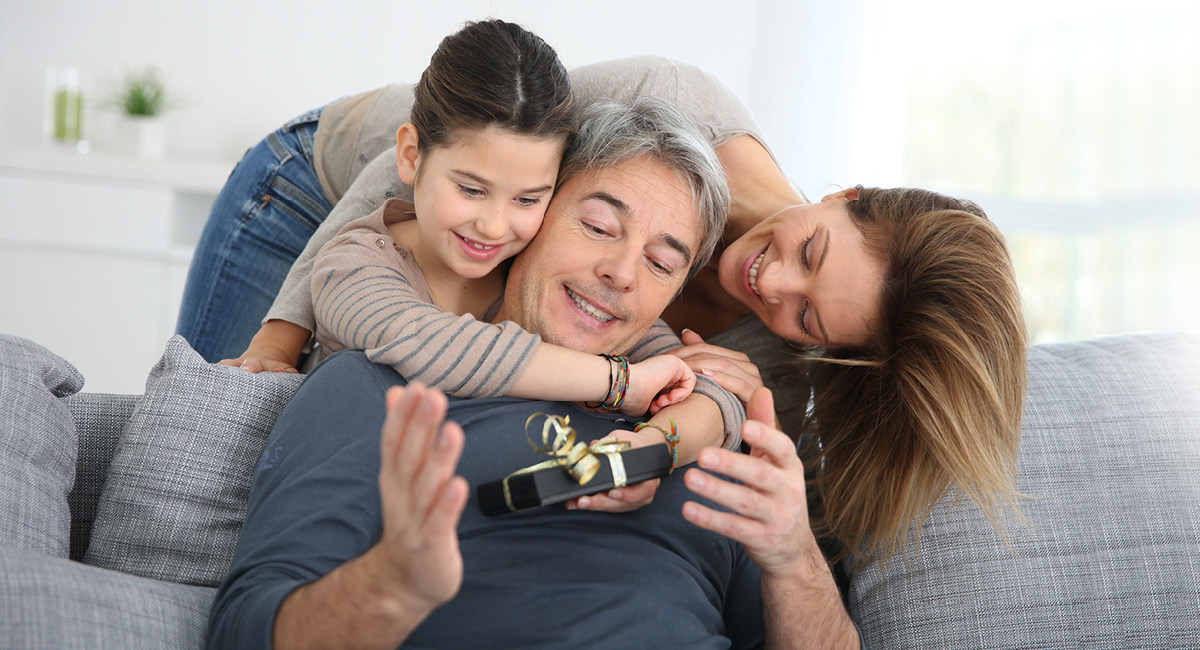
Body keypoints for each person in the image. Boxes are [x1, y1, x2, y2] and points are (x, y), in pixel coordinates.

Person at [180, 54, 1026, 565]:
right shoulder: (673, 98)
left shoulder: (776, 350)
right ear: (845, 193)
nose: (773, 286)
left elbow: (718, 396)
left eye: (807, 319)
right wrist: (280, 338)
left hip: (437, 279)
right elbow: (420, 171)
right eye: (811, 254)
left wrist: (651, 451)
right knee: (226, 427)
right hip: (326, 186)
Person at [206, 97, 862, 649]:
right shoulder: (375, 387)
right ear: (532, 215)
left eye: (662, 264)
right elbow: (243, 630)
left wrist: (794, 557)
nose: (622, 273)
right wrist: (390, 587)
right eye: (599, 226)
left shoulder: (699, 439)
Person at [301, 21, 738, 474]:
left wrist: (646, 452)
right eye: (471, 190)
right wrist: (622, 383)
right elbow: (434, 346)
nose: (493, 227)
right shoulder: (352, 267)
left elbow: (711, 395)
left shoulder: (533, 273)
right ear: (412, 157)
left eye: (527, 200)